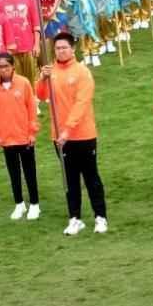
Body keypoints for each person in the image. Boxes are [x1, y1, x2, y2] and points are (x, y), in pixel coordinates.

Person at [36, 32, 107, 236]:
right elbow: (40, 95)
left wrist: (68, 129)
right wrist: (42, 78)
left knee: (91, 177)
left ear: (72, 48)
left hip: (83, 135)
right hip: (59, 137)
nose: (60, 51)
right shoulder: (51, 72)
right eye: (57, 48)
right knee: (70, 179)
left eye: (64, 48)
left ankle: (100, 217)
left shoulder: (82, 72)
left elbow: (81, 103)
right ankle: (74, 218)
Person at [0, 52, 40, 220]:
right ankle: (19, 204)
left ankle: (34, 204)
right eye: (0, 67)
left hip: (24, 136)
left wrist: (32, 131)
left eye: (6, 66)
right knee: (13, 172)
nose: (3, 70)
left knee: (29, 171)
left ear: (13, 67)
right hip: (7, 138)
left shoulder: (24, 83)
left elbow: (31, 108)